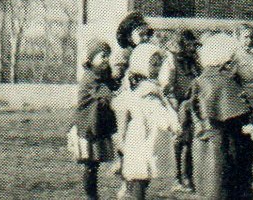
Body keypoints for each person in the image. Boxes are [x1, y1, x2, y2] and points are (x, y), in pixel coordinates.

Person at [192, 32, 253, 200]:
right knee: (228, 191)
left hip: (203, 147)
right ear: (227, 62)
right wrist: (250, 126)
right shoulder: (225, 83)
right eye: (235, 59)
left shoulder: (201, 80)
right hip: (226, 150)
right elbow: (236, 116)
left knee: (209, 190)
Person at [116, 43, 181, 200]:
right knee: (141, 172)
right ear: (142, 65)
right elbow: (156, 110)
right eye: (153, 64)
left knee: (143, 174)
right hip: (143, 134)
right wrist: (170, 123)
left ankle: (131, 193)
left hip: (144, 132)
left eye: (159, 64)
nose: (157, 67)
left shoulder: (144, 86)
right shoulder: (147, 90)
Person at [69, 39, 119, 200]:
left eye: (107, 56)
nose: (106, 59)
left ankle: (93, 194)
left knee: (94, 163)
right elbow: (104, 91)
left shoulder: (103, 74)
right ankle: (91, 196)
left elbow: (112, 86)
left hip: (96, 124)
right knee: (90, 163)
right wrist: (114, 91)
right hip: (87, 126)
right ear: (91, 59)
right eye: (102, 56)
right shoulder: (90, 77)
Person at [160, 29, 200, 193]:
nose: (193, 48)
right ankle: (177, 177)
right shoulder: (172, 60)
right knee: (179, 141)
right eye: (190, 45)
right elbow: (165, 85)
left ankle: (188, 176)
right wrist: (174, 106)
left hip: (190, 103)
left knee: (189, 142)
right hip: (177, 103)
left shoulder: (192, 61)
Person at [113, 11, 153, 82]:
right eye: (141, 34)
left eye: (147, 34)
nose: (145, 38)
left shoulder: (146, 52)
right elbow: (117, 76)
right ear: (129, 37)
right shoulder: (125, 53)